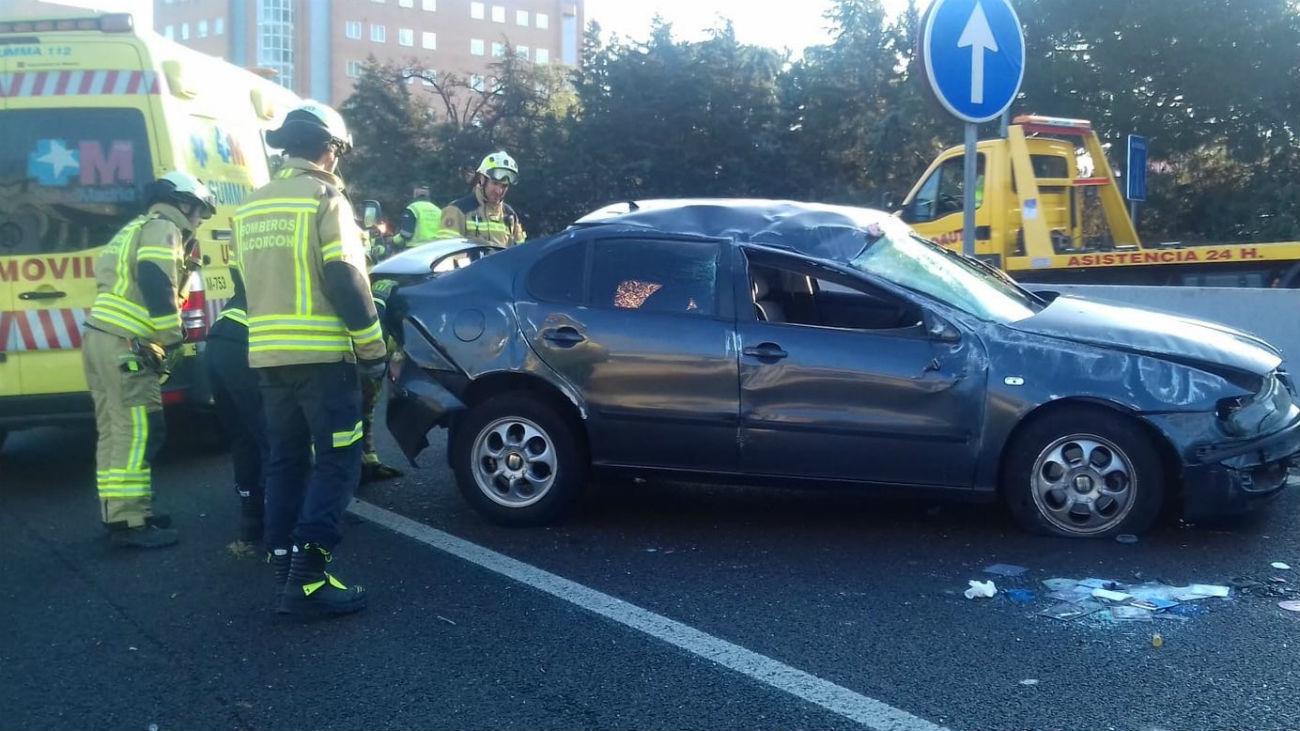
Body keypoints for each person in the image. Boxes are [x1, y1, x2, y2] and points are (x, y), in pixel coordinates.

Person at [234, 101, 387, 617]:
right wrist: (373, 349)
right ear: (331, 150)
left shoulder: (251, 207)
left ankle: (284, 566)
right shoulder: (326, 199)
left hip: (268, 358)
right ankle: (310, 577)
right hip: (322, 359)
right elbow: (346, 277)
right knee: (340, 460)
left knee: (286, 460)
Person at [82, 171, 216, 548]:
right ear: (183, 203)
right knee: (139, 431)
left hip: (101, 339)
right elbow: (154, 276)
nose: (201, 220)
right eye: (199, 211)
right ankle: (131, 521)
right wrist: (171, 335)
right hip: (127, 344)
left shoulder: (135, 227)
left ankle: (119, 512)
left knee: (115, 430)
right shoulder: (164, 229)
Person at [204, 265, 266, 544]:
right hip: (246, 343)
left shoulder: (252, 239)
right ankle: (286, 525)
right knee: (273, 438)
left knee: (242, 436)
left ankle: (251, 519)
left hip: (219, 341)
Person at [436, 151, 527, 247]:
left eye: (504, 186)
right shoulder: (458, 210)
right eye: (495, 183)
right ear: (482, 179)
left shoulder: (510, 215)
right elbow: (446, 251)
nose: (499, 191)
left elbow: (521, 252)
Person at [391, 183, 441, 250]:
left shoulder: (412, 208)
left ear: (415, 194)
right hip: (436, 249)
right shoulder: (438, 210)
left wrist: (393, 240)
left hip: (416, 250)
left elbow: (406, 234)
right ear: (428, 194)